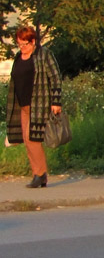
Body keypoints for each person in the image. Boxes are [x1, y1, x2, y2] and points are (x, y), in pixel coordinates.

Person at [4, 26, 63, 189]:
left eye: (25, 44)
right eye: (19, 44)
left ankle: (40, 174)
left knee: (32, 139)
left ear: (33, 41)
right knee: (27, 139)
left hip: (39, 103)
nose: (22, 47)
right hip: (22, 105)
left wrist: (56, 102)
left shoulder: (44, 55)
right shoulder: (18, 57)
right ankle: (38, 174)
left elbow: (56, 78)